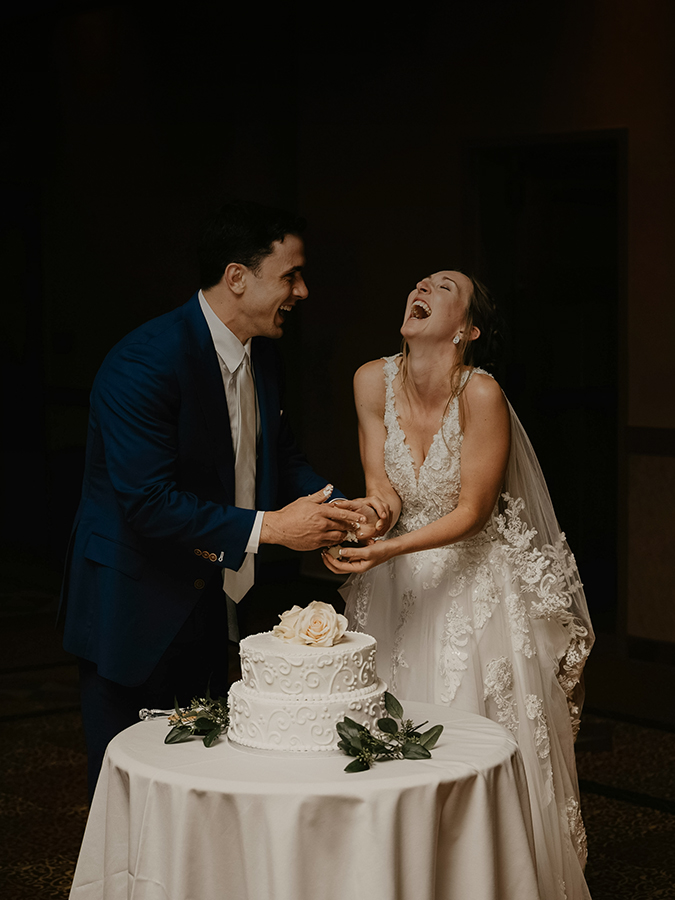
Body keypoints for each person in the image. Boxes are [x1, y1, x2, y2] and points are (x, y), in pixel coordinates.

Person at [59, 199, 386, 800]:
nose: (303, 291)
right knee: (127, 794)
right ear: (238, 277)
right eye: (290, 275)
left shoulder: (264, 355)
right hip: (135, 605)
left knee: (201, 787)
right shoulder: (145, 361)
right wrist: (273, 529)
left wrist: (339, 508)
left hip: (216, 603)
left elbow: (281, 458)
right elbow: (148, 502)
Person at [324, 270, 594, 900]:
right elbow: (384, 487)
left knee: (468, 735)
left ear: (467, 330)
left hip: (473, 585)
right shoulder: (370, 380)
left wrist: (387, 549)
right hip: (397, 586)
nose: (422, 287)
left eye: (444, 286)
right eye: (421, 282)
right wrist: (365, 524)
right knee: (382, 736)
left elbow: (473, 510)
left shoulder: (482, 394)